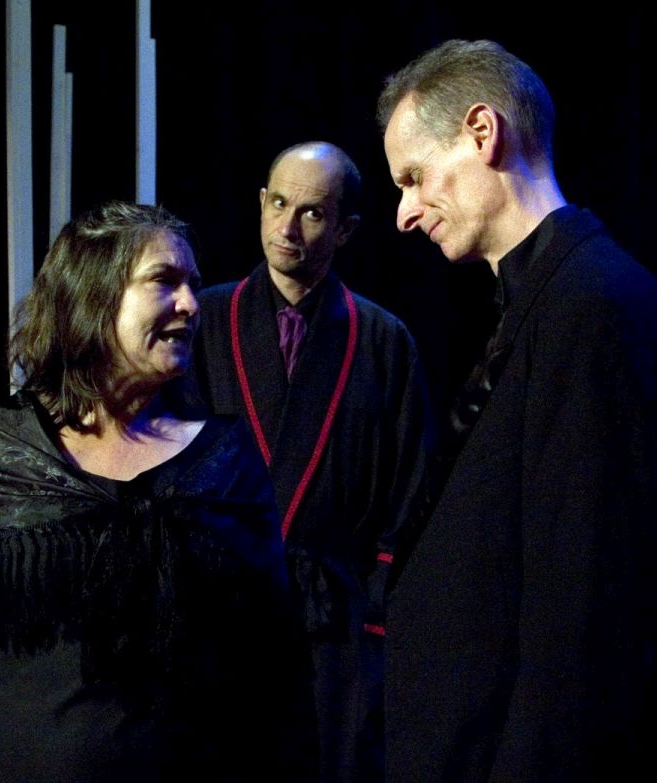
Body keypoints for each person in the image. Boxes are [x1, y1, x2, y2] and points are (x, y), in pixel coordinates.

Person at [376, 40, 657, 781]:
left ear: (483, 132)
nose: (405, 214)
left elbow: (587, 625)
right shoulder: (550, 301)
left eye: (413, 178)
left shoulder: (592, 308)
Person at [0, 201, 317, 782]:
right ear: (93, 296)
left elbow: (275, 669)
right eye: (164, 281)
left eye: (193, 284)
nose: (192, 304)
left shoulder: (223, 463)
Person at [189, 141, 434, 782]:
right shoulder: (204, 321)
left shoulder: (383, 341)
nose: (288, 228)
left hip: (337, 628)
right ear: (259, 203)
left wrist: (375, 614)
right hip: (223, 614)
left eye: (313, 214)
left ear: (346, 229)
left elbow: (410, 495)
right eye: (278, 204)